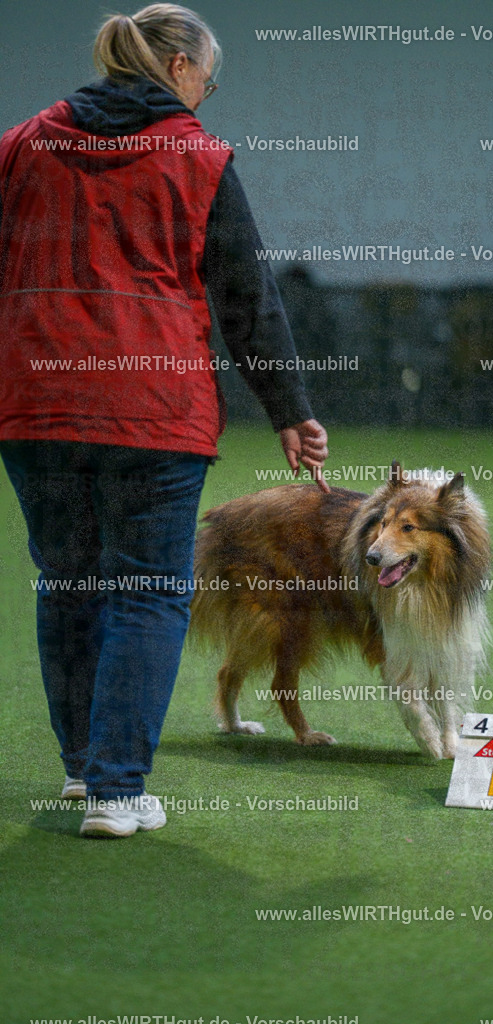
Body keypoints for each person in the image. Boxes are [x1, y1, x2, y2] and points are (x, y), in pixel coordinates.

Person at [0, 4, 330, 838]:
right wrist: (289, 411)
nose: (205, 98)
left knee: (67, 585)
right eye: (207, 82)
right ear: (180, 69)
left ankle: (82, 773)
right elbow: (246, 297)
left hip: (35, 403)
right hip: (152, 409)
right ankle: (117, 792)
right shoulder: (199, 156)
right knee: (146, 594)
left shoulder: (19, 146)